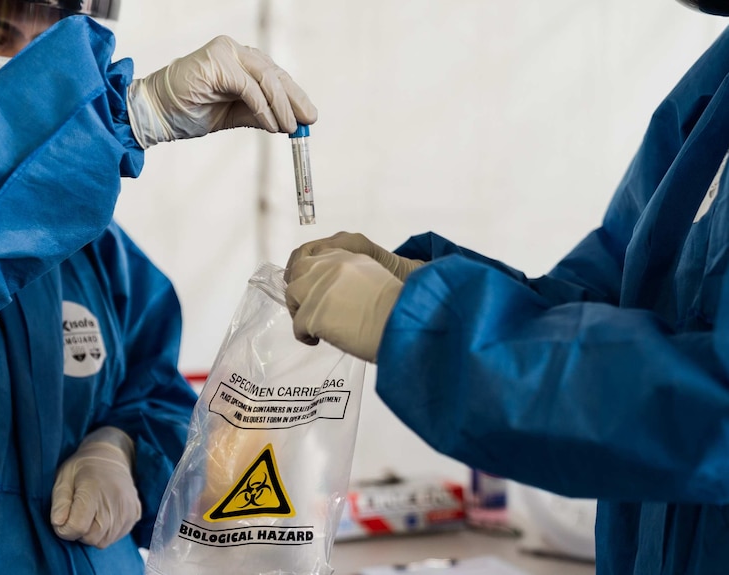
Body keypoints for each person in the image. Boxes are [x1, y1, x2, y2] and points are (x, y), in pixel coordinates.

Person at [0, 0, 316, 573]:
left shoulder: (101, 253)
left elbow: (157, 397)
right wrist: (121, 115)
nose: (28, 69)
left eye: (50, 48)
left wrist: (122, 447)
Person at [284, 1, 729, 573]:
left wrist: (427, 325)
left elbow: (707, 402)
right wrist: (430, 284)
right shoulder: (711, 90)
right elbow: (618, 307)